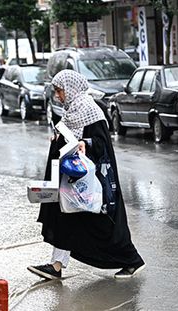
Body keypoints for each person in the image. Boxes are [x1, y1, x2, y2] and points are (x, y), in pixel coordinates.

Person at [28, 70, 146, 280]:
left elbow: (102, 144)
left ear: (71, 89)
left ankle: (132, 260)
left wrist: (86, 144)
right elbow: (69, 136)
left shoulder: (91, 110)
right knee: (65, 218)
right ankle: (56, 266)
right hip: (72, 180)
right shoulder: (73, 110)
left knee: (102, 226)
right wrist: (57, 139)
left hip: (91, 183)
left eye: (60, 91)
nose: (58, 96)